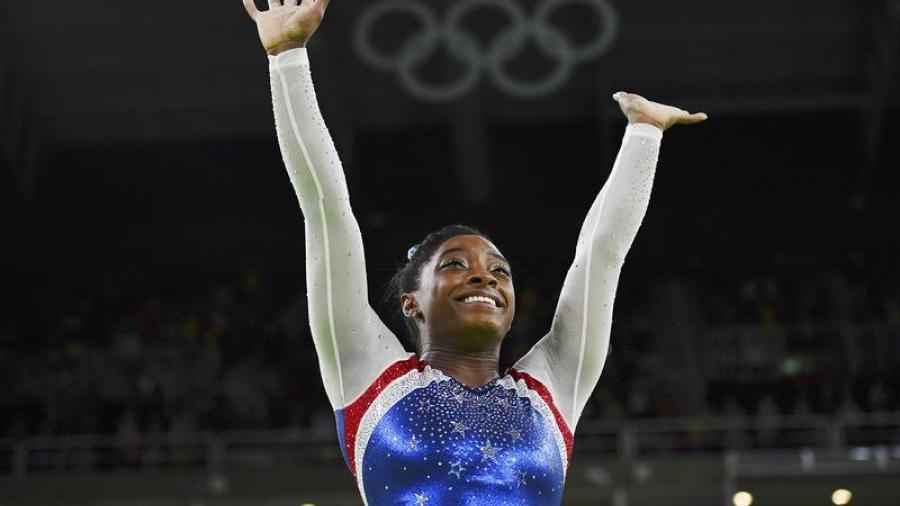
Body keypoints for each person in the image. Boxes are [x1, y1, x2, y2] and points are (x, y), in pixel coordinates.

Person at [242, 0, 707, 504]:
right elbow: (326, 210)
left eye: (499, 270)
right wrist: (288, 58)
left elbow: (601, 256)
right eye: (455, 265)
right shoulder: (367, 375)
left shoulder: (551, 391)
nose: (484, 277)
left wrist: (644, 133)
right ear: (411, 301)